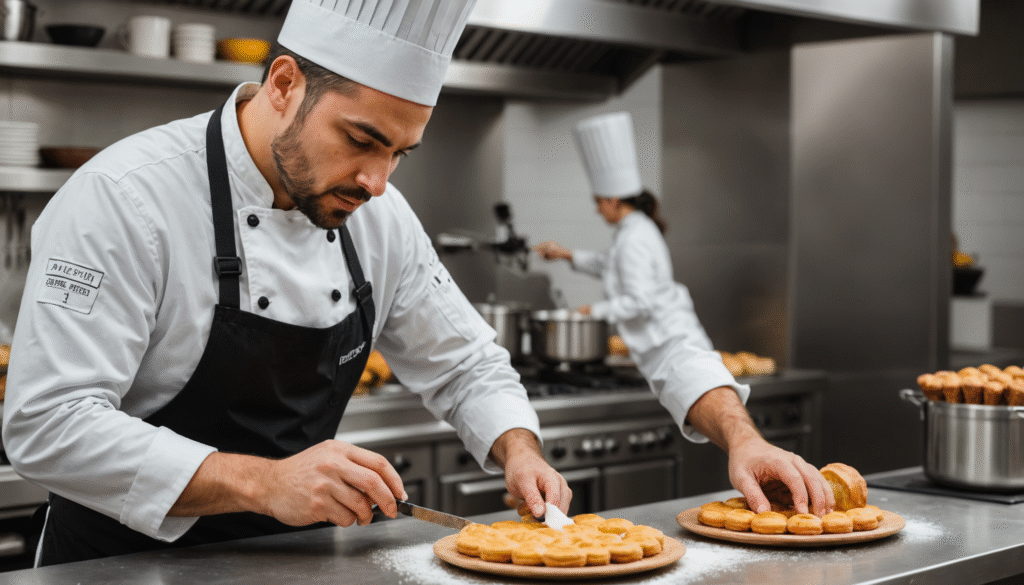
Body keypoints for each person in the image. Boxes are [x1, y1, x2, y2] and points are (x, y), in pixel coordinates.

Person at [1, 0, 570, 566]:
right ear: (283, 83)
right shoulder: (124, 198)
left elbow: (464, 364)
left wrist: (520, 449)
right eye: (361, 140)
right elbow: (47, 423)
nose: (376, 181)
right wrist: (266, 483)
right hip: (116, 568)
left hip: (288, 565)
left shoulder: (380, 215)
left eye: (399, 153)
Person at [534, 111, 834, 516]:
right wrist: (569, 255)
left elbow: (640, 300)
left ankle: (742, 506)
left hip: (673, 349)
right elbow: (612, 266)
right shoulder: (632, 231)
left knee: (711, 446)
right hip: (658, 352)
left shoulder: (637, 236)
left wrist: (594, 310)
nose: (596, 212)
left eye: (597, 204)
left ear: (610, 201)